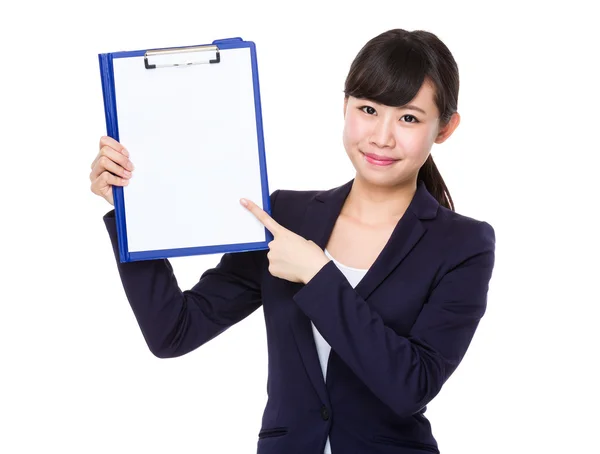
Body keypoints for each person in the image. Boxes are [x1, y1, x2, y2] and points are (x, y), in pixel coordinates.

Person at [90, 28, 496, 454]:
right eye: (368, 109)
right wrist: (132, 210)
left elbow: (411, 386)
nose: (382, 136)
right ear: (345, 106)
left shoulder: (463, 244)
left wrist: (319, 275)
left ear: (445, 128)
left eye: (409, 118)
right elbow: (173, 332)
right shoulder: (286, 216)